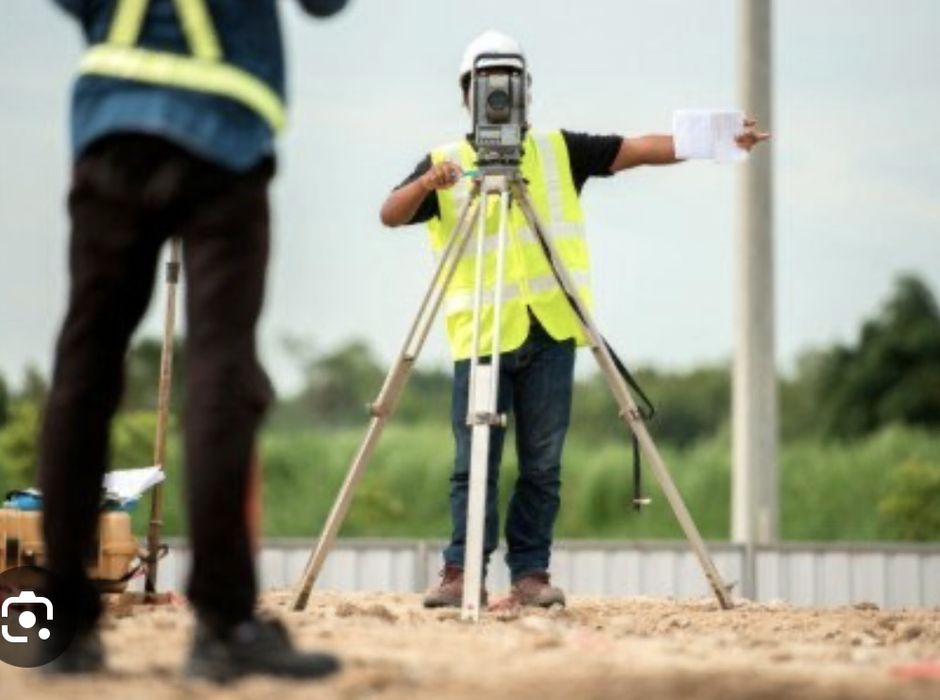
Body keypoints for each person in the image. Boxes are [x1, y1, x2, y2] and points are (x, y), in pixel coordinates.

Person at [379, 30, 769, 610]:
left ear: (525, 91)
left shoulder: (559, 151)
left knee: (542, 463)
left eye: (508, 86)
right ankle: (461, 573)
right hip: (482, 338)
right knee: (473, 464)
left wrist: (716, 139)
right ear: (468, 94)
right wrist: (425, 185)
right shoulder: (445, 165)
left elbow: (638, 148)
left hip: (554, 332)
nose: (498, 99)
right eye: (487, 87)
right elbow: (390, 214)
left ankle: (529, 576)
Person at [40, 0, 347, 680]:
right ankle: (222, 625)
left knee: (83, 372)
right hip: (224, 137)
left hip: (109, 123)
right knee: (220, 370)